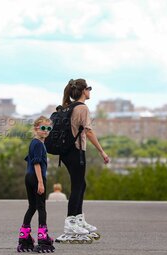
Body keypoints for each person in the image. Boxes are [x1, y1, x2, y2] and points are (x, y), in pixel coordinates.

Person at [55, 79, 110, 244]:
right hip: (76, 151)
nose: (90, 91)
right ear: (83, 91)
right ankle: (70, 224)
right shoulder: (82, 108)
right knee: (78, 186)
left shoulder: (68, 106)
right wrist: (102, 151)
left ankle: (78, 220)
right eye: (89, 88)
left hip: (66, 152)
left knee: (81, 184)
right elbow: (89, 132)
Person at [17, 116, 55, 253]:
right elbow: (37, 163)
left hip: (28, 177)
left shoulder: (33, 143)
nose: (46, 131)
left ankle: (24, 234)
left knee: (32, 206)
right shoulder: (39, 144)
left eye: (49, 128)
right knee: (41, 207)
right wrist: (40, 182)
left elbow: (29, 159)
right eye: (43, 128)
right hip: (36, 177)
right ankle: (43, 237)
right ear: (36, 128)